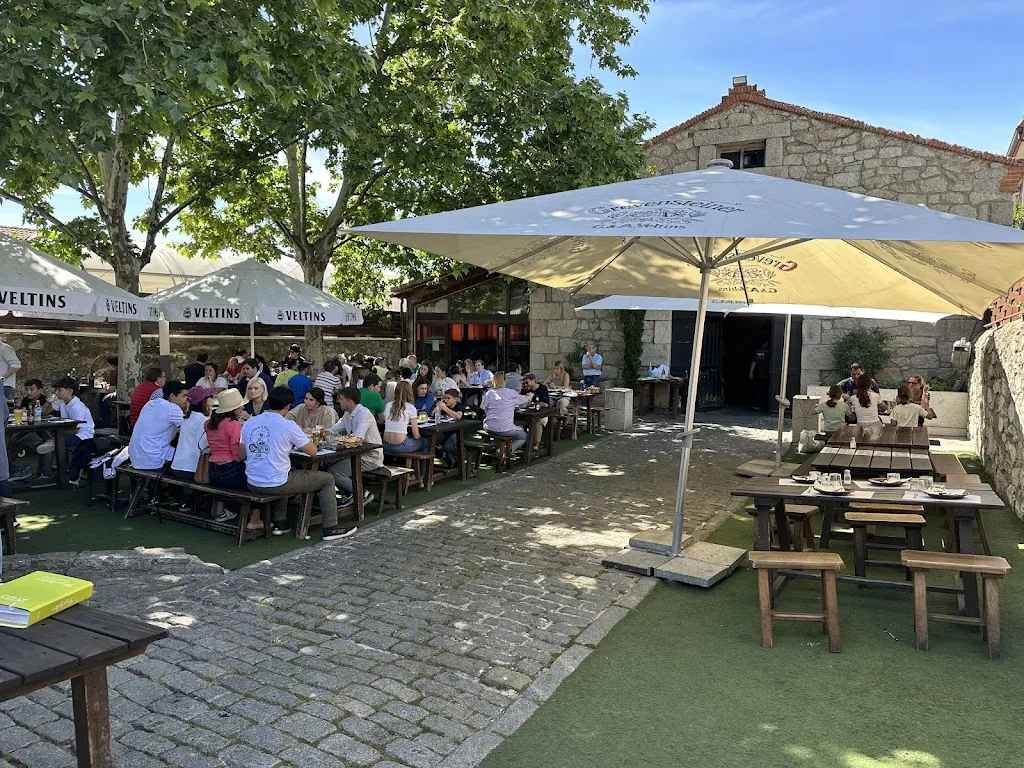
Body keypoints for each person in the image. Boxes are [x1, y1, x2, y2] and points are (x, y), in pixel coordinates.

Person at [239, 386, 354, 540]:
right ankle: (331, 527)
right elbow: (312, 451)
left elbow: (241, 455)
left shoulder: (250, 423)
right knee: (327, 479)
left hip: (252, 481)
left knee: (287, 470)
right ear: (288, 406)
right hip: (277, 483)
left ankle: (281, 521)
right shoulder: (288, 425)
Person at [204, 389, 260, 529]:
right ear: (233, 408)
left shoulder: (209, 423)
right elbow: (237, 454)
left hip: (213, 470)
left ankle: (220, 510)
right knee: (257, 482)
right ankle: (255, 518)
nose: (242, 407)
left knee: (223, 486)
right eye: (239, 405)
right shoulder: (233, 425)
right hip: (230, 470)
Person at [329, 387, 383, 507]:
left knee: (334, 472)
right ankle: (347, 492)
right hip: (355, 454)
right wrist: (316, 433)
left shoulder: (364, 414)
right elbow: (334, 429)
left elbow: (357, 438)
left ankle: (362, 493)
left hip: (370, 457)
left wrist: (337, 440)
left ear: (350, 401)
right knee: (325, 463)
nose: (339, 401)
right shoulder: (348, 414)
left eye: (341, 399)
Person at [170, 386, 215, 508]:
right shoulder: (203, 421)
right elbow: (206, 447)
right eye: (209, 398)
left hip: (177, 466)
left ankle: (186, 499)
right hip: (192, 470)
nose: (211, 400)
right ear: (203, 402)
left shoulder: (186, 419)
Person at [129, 381, 188, 470]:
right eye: (183, 396)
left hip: (135, 457)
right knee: (189, 457)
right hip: (154, 458)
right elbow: (188, 429)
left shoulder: (150, 403)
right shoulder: (172, 408)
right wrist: (188, 409)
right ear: (172, 396)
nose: (186, 399)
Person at [6, 379, 56, 481]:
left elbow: (43, 414)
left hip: (43, 432)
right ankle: (7, 469)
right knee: (12, 442)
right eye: (26, 389)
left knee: (17, 442)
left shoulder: (45, 401)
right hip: (28, 429)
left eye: (32, 389)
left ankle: (47, 474)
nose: (28, 392)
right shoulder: (26, 400)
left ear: (40, 390)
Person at [51, 377, 97, 484]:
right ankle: (55, 469)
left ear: (70, 391)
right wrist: (50, 401)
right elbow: (45, 411)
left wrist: (57, 433)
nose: (57, 393)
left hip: (83, 436)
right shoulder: (61, 401)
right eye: (56, 390)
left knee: (56, 441)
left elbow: (76, 430)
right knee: (50, 439)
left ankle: (57, 470)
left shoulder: (77, 407)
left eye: (60, 390)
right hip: (69, 432)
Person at [382, 381, 428, 476]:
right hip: (400, 445)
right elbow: (416, 435)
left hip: (386, 444)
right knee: (426, 442)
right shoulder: (410, 408)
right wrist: (419, 440)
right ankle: (422, 476)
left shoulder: (388, 405)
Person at [481, 372, 530, 452]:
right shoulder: (510, 392)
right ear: (504, 381)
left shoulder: (489, 393)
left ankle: (499, 449)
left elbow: (484, 408)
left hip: (489, 426)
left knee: (498, 432)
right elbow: (524, 400)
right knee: (523, 436)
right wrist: (529, 397)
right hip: (504, 428)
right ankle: (504, 451)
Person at [436, 388, 464, 468]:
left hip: (456, 432)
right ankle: (444, 456)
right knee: (431, 440)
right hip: (444, 431)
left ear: (455, 399)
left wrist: (445, 409)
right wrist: (437, 408)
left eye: (448, 398)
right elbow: (432, 415)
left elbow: (458, 416)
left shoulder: (459, 406)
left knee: (449, 445)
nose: (446, 400)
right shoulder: (444, 406)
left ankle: (460, 461)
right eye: (445, 398)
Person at [522, 373, 550, 449]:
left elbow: (545, 403)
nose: (525, 385)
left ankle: (536, 445)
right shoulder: (524, 390)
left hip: (541, 414)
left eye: (527, 382)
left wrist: (536, 404)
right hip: (527, 414)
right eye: (523, 383)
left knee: (537, 422)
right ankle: (523, 442)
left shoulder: (543, 389)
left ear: (533, 381)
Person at [97, 355, 119, 428]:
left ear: (111, 364)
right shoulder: (122, 370)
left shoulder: (114, 372)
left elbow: (112, 389)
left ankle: (104, 423)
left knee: (104, 401)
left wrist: (104, 386)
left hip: (118, 394)